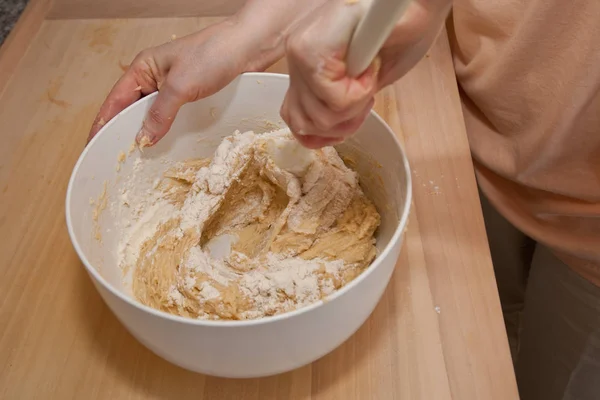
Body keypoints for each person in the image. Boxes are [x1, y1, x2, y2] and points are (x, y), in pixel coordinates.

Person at [88, 1, 600, 399]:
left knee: (544, 375)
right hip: (476, 143)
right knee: (495, 317)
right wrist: (246, 37)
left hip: (588, 230)